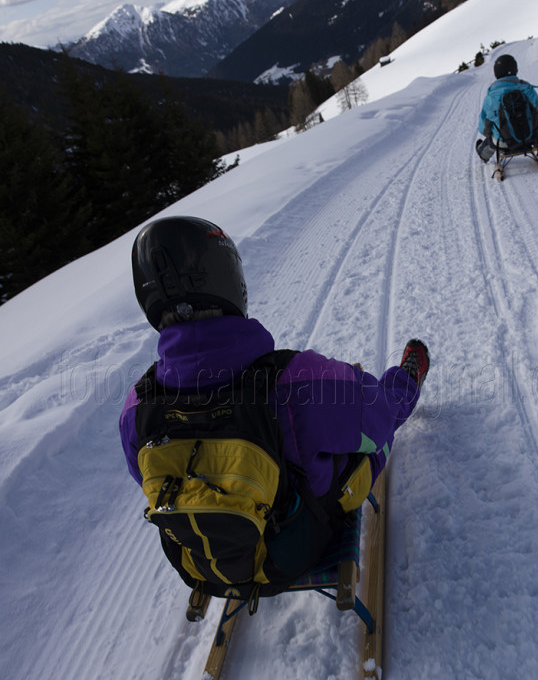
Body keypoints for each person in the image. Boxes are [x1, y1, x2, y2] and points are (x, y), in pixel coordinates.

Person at [120, 215, 430, 594]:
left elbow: (145, 480)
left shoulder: (138, 406)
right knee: (375, 439)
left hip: (202, 565)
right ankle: (407, 380)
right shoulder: (298, 380)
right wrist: (391, 388)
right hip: (293, 553)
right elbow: (379, 418)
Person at [476, 54, 538, 161]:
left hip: (503, 143)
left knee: (491, 140)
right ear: (515, 69)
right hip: (530, 138)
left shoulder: (491, 97)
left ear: (496, 73)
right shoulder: (527, 89)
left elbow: (484, 128)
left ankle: (483, 155)